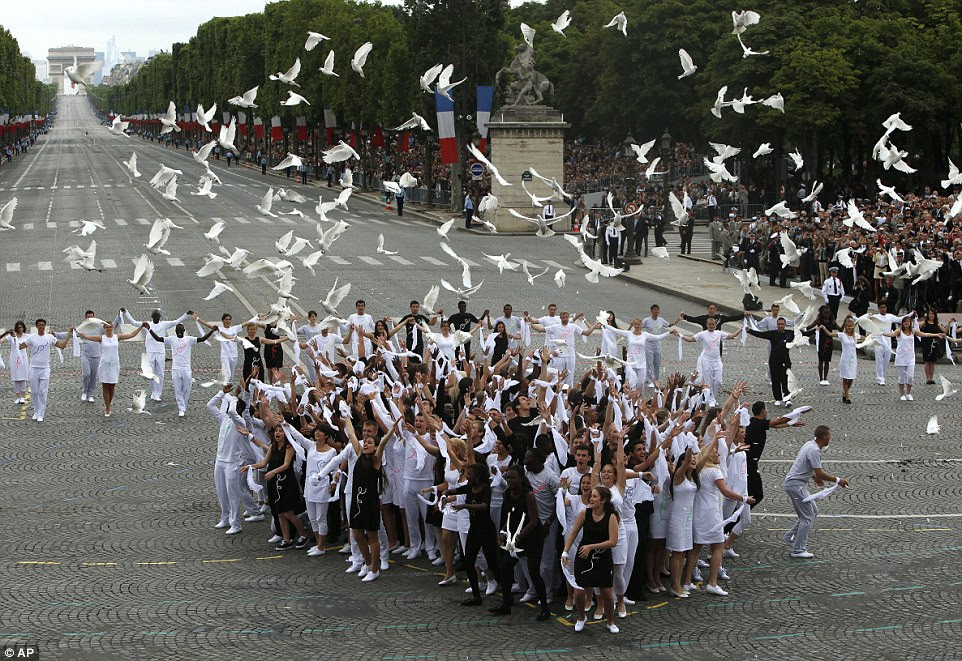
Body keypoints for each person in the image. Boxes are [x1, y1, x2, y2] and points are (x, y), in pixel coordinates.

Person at [490, 465, 551, 621]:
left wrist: (519, 536)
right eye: (507, 478)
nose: (509, 480)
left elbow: (534, 520)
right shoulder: (507, 494)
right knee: (505, 566)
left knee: (533, 572)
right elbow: (509, 517)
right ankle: (506, 602)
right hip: (516, 535)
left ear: (521, 479)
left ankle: (545, 608)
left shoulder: (528, 495)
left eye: (512, 477)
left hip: (532, 537)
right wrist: (503, 532)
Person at [782, 426, 848, 559]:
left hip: (797, 483)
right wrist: (838, 480)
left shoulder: (809, 445)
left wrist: (814, 477)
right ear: (824, 437)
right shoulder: (815, 451)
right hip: (796, 485)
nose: (830, 438)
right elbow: (819, 472)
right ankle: (798, 549)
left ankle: (790, 537)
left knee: (813, 511)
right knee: (807, 517)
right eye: (829, 436)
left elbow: (805, 466)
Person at [562, 485, 620, 634]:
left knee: (606, 592)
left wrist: (591, 547)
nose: (591, 499)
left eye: (594, 496)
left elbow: (613, 541)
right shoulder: (584, 513)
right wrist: (565, 552)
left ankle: (610, 620)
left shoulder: (611, 516)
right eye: (591, 496)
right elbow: (573, 532)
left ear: (603, 500)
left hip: (602, 558)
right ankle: (581, 617)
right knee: (579, 591)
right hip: (584, 556)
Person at [242, 426, 308, 551]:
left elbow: (286, 464)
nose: (277, 433)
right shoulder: (273, 447)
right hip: (274, 484)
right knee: (280, 513)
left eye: (280, 431)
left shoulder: (289, 447)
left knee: (289, 512)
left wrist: (273, 472)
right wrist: (250, 466)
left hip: (287, 483)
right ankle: (286, 539)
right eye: (276, 431)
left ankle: (303, 535)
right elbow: (263, 463)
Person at [446, 463, 501, 605]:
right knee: (469, 561)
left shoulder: (485, 489)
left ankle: (505, 591)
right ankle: (476, 596)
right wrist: (445, 494)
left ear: (478, 476)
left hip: (486, 530)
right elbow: (456, 491)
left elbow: (484, 506)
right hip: (474, 529)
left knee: (493, 562)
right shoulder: (470, 488)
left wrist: (465, 506)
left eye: (470, 474)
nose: (467, 477)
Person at [120, 308, 190, 402]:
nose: (156, 318)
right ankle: (154, 392)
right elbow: (134, 322)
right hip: (150, 352)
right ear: (152, 317)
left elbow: (176, 321)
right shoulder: (148, 324)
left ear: (159, 317)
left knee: (160, 373)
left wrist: (186, 314)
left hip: (160, 351)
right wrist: (126, 312)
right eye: (155, 316)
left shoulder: (164, 324)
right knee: (150, 373)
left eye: (157, 316)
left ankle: (157, 393)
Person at [75, 320, 144, 416]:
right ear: (104, 329)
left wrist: (141, 327)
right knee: (105, 387)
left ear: (112, 328)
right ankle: (107, 407)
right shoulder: (101, 338)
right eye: (107, 327)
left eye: (110, 327)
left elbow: (131, 335)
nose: (109, 329)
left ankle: (108, 403)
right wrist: (77, 331)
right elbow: (87, 336)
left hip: (114, 365)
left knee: (112, 387)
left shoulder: (117, 337)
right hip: (104, 365)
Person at [147, 322, 217, 416]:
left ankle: (183, 404)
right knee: (178, 389)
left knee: (186, 389)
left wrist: (211, 331)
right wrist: (149, 329)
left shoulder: (189, 339)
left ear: (184, 331)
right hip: (175, 369)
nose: (179, 332)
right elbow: (158, 338)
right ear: (175, 331)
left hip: (186, 369)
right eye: (178, 330)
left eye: (181, 330)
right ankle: (181, 409)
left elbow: (202, 339)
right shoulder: (171, 339)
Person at [745, 401, 800, 507]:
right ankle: (737, 516)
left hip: (750, 463)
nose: (767, 411)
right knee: (757, 494)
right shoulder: (758, 424)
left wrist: (791, 424)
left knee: (752, 493)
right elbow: (779, 421)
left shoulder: (754, 422)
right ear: (762, 411)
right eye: (766, 409)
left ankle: (740, 513)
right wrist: (798, 411)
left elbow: (775, 426)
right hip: (749, 465)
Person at [678, 317, 741, 404]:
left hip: (717, 360)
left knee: (718, 381)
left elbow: (732, 336)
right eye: (709, 324)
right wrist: (680, 335)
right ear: (707, 325)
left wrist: (741, 329)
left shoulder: (719, 333)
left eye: (713, 324)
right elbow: (690, 339)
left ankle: (713, 397)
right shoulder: (702, 334)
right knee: (709, 381)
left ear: (715, 325)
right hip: (706, 360)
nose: (711, 326)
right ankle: (710, 399)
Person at [20, 319, 73, 422]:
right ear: (36, 327)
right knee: (34, 392)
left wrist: (69, 335)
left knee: (42, 392)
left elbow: (62, 346)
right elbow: (20, 346)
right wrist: (14, 339)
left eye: (43, 325)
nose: (41, 327)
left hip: (45, 369)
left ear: (45, 326)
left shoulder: (50, 338)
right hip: (33, 368)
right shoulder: (32, 338)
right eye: (39, 325)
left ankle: (41, 414)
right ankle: (36, 411)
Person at [882, 316, 943, 401]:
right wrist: (881, 333)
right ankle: (902, 394)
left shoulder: (913, 331)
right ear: (902, 323)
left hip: (910, 357)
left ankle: (909, 393)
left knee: (910, 377)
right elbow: (891, 334)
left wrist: (936, 334)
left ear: (910, 323)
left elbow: (925, 334)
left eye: (908, 321)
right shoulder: (899, 331)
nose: (906, 323)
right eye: (905, 322)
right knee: (902, 377)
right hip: (901, 357)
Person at [746, 314, 794, 405]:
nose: (780, 326)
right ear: (777, 325)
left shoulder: (789, 334)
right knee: (775, 380)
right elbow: (760, 334)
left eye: (782, 324)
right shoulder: (773, 334)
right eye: (779, 324)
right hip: (774, 361)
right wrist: (749, 330)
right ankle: (778, 399)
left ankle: (787, 399)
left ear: (785, 325)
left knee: (785, 380)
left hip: (785, 361)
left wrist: (814, 330)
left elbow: (803, 333)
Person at [820, 315, 860, 404]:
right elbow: (830, 334)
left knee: (851, 378)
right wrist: (823, 328)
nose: (849, 328)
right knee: (845, 378)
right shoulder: (842, 335)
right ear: (845, 327)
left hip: (853, 360)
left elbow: (865, 338)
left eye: (851, 326)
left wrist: (874, 333)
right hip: (845, 359)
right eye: (848, 326)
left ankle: (844, 392)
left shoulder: (855, 336)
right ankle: (847, 396)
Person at [1, 321, 29, 403]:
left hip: (23, 359)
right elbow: (1, 341)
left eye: (21, 327)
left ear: (23, 328)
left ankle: (23, 397)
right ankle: (17, 397)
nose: (20, 329)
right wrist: (6, 333)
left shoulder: (26, 336)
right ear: (16, 328)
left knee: (23, 378)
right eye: (18, 327)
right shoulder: (11, 336)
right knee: (16, 378)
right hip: (14, 358)